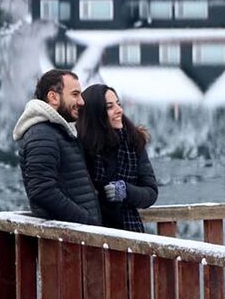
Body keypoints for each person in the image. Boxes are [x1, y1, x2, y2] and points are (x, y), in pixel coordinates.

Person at [13, 69, 101, 225]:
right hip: (68, 238)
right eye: (75, 94)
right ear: (53, 97)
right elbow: (42, 191)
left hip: (75, 237)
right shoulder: (42, 135)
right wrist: (86, 222)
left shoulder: (58, 132)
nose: (81, 102)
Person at [76, 84, 158, 232]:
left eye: (118, 104)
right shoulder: (79, 145)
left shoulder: (133, 141)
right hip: (92, 232)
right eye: (109, 107)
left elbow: (151, 192)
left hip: (130, 231)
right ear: (95, 113)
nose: (119, 110)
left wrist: (126, 191)